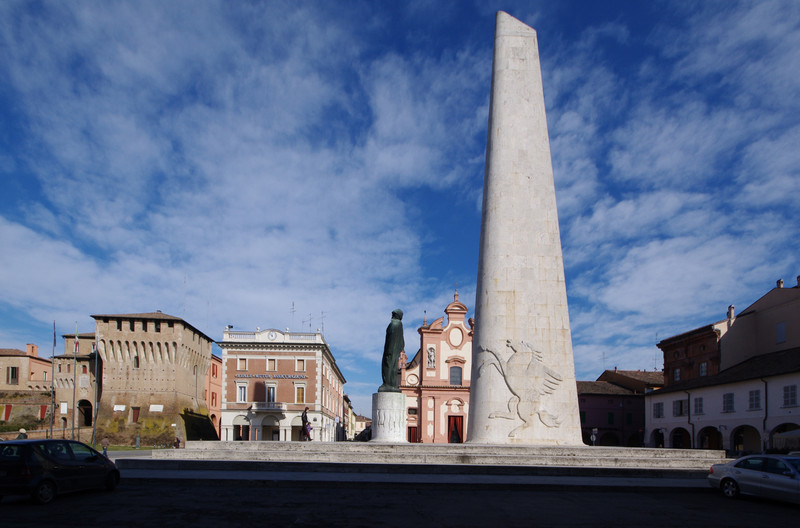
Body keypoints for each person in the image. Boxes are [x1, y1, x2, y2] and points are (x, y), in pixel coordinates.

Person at [379, 309, 404, 392]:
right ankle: (392, 384)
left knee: (387, 366)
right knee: (393, 366)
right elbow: (402, 340)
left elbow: (391, 338)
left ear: (396, 315)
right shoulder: (400, 324)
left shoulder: (394, 323)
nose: (392, 316)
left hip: (390, 349)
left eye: (393, 314)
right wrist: (400, 348)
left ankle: (387, 384)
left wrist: (389, 350)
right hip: (395, 350)